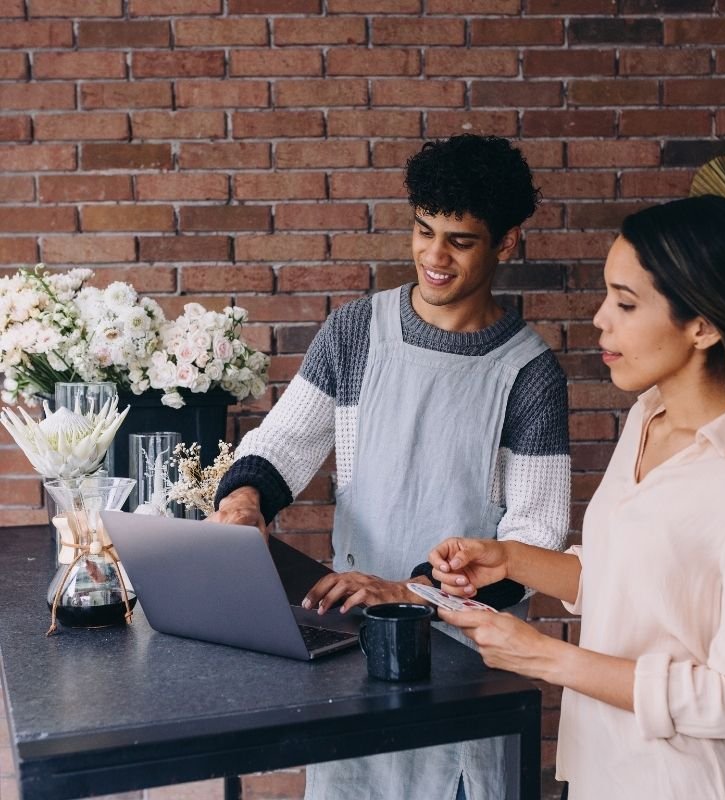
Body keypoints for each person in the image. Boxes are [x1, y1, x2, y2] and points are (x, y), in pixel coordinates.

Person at [210, 134, 571, 800]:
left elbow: (535, 542)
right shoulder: (354, 332)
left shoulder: (529, 375)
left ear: (506, 243)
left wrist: (409, 592)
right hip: (351, 657)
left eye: (459, 241)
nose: (434, 257)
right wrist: (242, 503)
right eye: (424, 231)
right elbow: (285, 442)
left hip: (466, 666)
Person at [428, 194, 725, 800]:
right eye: (608, 294)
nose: (601, 318)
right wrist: (511, 559)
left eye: (626, 303)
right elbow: (628, 583)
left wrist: (546, 659)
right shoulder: (647, 417)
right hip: (603, 775)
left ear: (701, 326)